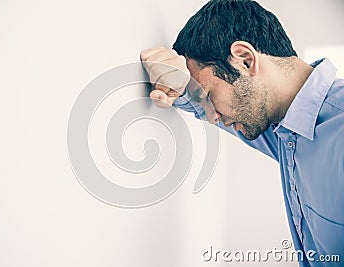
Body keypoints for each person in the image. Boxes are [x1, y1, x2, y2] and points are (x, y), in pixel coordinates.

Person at [140, 0, 344, 266]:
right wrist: (175, 83)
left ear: (246, 60)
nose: (213, 116)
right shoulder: (285, 127)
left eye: (210, 96)